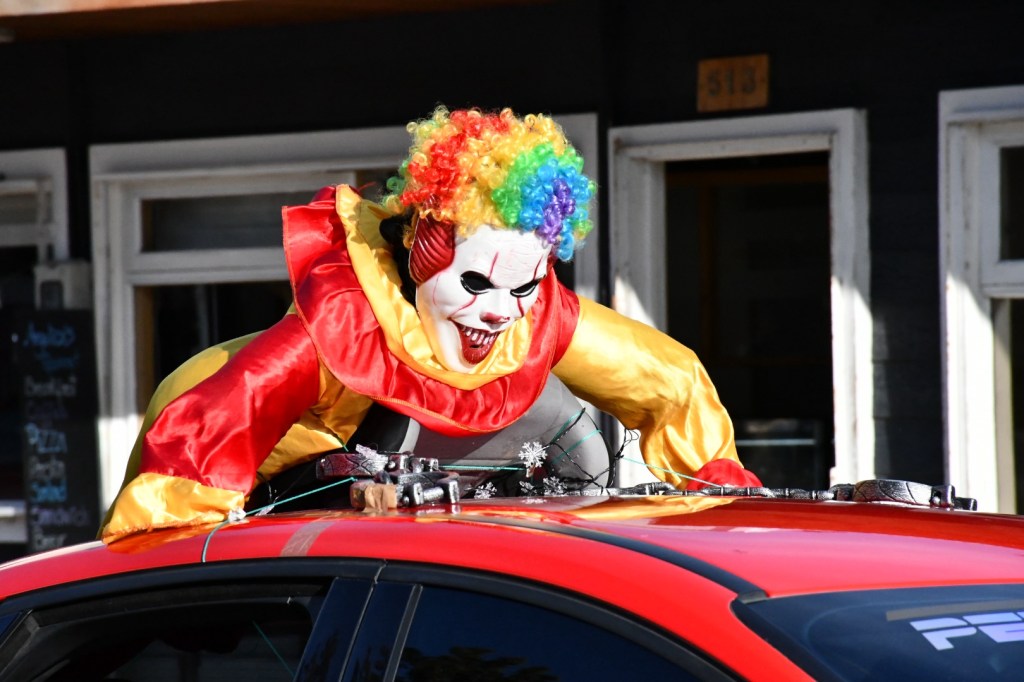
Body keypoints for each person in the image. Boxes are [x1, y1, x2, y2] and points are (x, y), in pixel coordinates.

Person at [100, 107, 759, 543]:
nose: (499, 311)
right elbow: (215, 418)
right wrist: (168, 545)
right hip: (235, 426)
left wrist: (723, 497)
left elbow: (669, 380)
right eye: (474, 283)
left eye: (523, 286)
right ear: (422, 256)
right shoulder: (346, 322)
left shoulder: (540, 315)